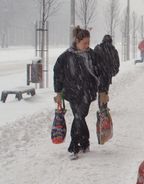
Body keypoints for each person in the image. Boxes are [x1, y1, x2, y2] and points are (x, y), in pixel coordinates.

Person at [53, 26, 110, 159]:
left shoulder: (93, 56)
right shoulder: (65, 57)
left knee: (79, 116)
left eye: (88, 42)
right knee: (79, 117)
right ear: (77, 42)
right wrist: (58, 92)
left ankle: (74, 147)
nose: (87, 45)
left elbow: (104, 73)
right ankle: (84, 143)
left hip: (87, 92)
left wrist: (103, 91)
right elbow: (58, 74)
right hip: (71, 93)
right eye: (84, 43)